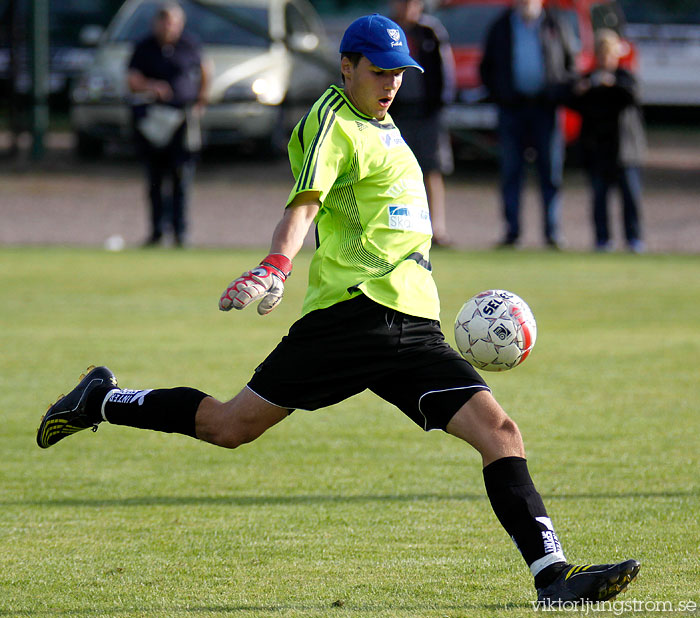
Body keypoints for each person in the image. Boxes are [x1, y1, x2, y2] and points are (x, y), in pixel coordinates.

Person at [36, 14, 639, 605]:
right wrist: (276, 264)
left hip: (412, 326)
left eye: (400, 72)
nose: (392, 82)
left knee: (500, 433)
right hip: (351, 317)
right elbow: (303, 205)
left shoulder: (386, 123)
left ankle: (552, 580)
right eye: (379, 72)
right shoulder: (331, 120)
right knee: (229, 426)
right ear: (346, 67)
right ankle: (102, 400)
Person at [479, 0, 577, 249]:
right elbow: (487, 66)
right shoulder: (501, 26)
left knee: (551, 172)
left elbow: (569, 63)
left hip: (546, 109)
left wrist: (559, 91)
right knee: (511, 171)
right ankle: (512, 232)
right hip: (512, 109)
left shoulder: (555, 23)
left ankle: (552, 233)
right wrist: (500, 93)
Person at [128, 2, 209, 247]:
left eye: (172, 22)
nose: (168, 27)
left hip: (182, 120)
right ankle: (156, 233)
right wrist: (152, 86)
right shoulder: (144, 47)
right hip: (153, 120)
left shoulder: (189, 45)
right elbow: (131, 79)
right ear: (156, 23)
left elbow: (206, 71)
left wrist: (201, 100)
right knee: (154, 178)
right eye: (164, 21)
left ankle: (180, 233)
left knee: (181, 178)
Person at [570, 29, 646, 253]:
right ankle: (603, 240)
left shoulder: (625, 78)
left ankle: (634, 239)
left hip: (626, 151)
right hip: (598, 150)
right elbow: (571, 99)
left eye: (609, 54)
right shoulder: (588, 80)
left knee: (630, 197)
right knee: (600, 199)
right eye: (601, 54)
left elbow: (632, 96)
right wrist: (585, 89)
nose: (605, 59)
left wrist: (609, 84)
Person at [389, 0, 456, 247]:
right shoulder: (387, 31)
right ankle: (399, 229)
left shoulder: (430, 32)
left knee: (431, 169)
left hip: (427, 111)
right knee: (395, 173)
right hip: (395, 113)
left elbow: (445, 71)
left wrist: (440, 104)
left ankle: (436, 228)